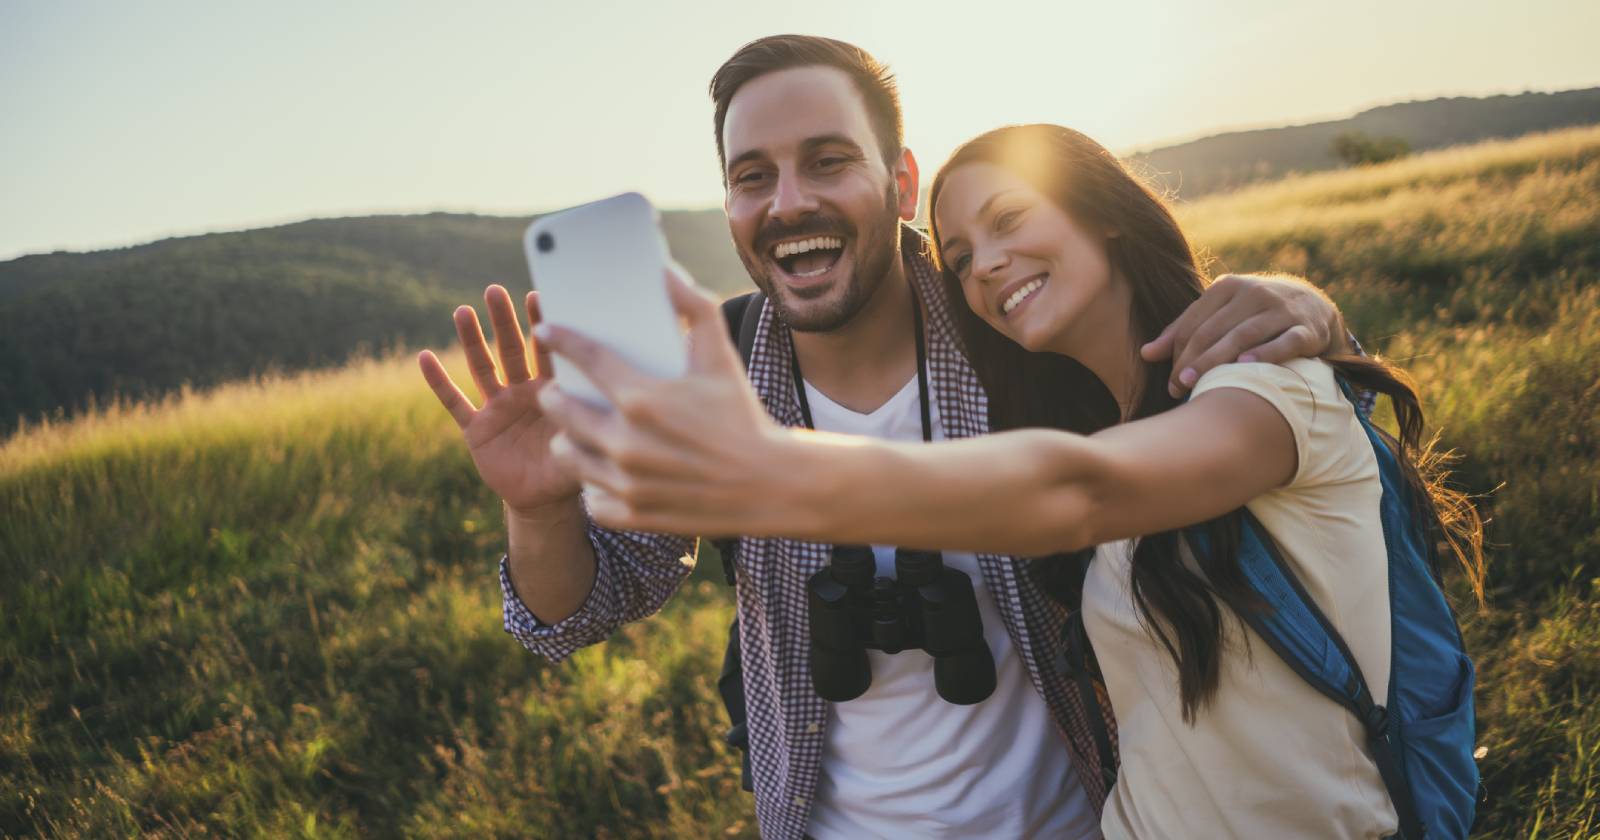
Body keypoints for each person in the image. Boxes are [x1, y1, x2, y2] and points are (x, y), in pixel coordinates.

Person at [419, 36, 1358, 840]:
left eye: (828, 161)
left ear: (900, 181)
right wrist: (538, 510)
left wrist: (1306, 309)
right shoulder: (716, 369)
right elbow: (588, 608)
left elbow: (1153, 389)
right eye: (752, 177)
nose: (789, 203)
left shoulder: (1010, 321)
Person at [532, 123, 1487, 839]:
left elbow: (1074, 493)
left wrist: (772, 466)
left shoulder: (1260, 389)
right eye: (959, 257)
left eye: (1011, 221)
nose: (986, 265)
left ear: (1103, 208)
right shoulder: (1081, 408)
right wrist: (542, 502)